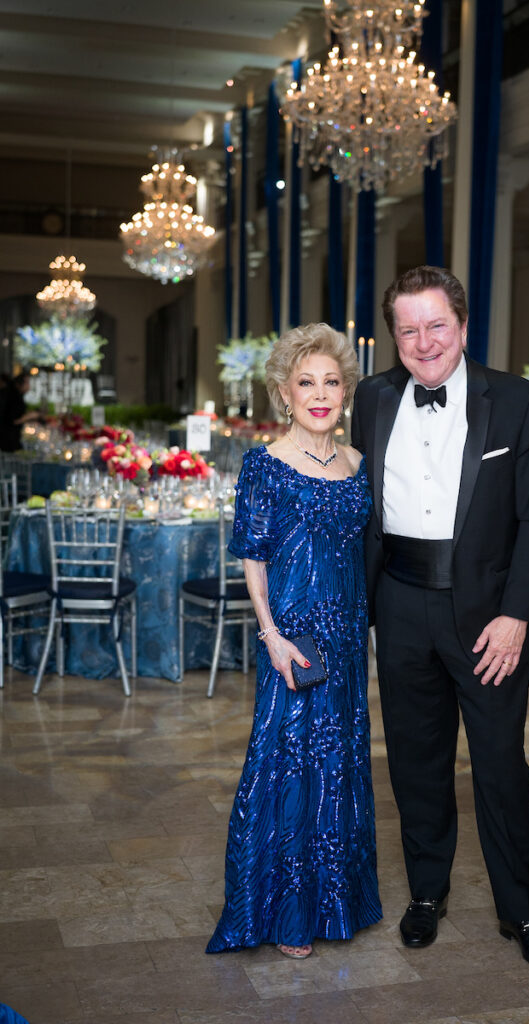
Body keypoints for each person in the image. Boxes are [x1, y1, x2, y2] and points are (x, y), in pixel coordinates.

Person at [351, 266, 529, 971]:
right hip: (400, 603)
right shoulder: (372, 398)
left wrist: (517, 617)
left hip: (488, 616)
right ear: (394, 338)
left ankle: (521, 910)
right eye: (408, 329)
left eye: (436, 325)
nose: (423, 341)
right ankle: (426, 894)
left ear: (464, 327)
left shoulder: (521, 402)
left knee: (500, 764)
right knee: (415, 760)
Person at [207, 323, 382, 961]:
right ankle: (283, 909)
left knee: (339, 765)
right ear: (284, 393)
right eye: (305, 382)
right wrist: (271, 635)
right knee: (287, 766)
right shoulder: (266, 463)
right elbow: (252, 557)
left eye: (330, 382)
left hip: (345, 639)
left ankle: (336, 901)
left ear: (345, 393)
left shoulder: (359, 465)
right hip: (292, 637)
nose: (319, 394)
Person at [0, 372, 39, 452]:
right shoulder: (13, 396)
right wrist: (30, 416)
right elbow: (13, 420)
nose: (29, 386)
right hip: (8, 438)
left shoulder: (13, 393)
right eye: (27, 383)